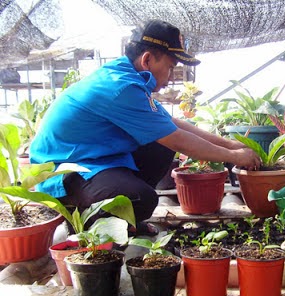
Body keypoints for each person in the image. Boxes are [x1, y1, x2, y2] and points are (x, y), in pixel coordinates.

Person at [30, 19, 261, 236]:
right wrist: (233, 156)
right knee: (141, 199)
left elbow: (170, 124)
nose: (170, 78)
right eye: (170, 67)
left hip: (95, 160)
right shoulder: (121, 87)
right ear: (148, 59)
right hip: (64, 172)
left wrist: (230, 144)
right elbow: (178, 139)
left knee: (159, 146)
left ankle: (124, 217)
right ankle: (84, 223)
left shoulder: (128, 77)